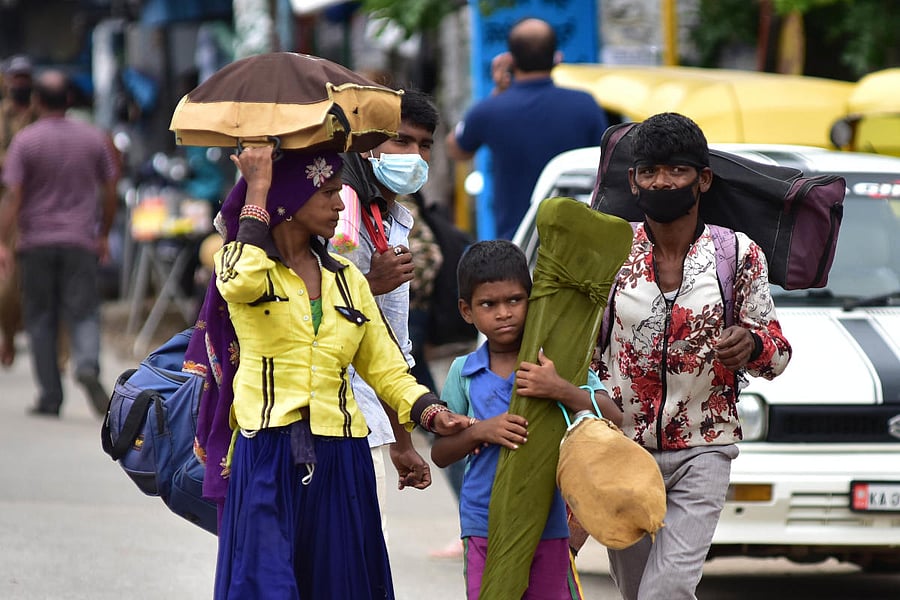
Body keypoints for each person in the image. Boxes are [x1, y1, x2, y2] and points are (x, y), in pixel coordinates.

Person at [184, 145, 471, 599]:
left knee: (339, 587)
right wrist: (258, 186)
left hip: (342, 457)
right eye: (330, 193)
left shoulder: (348, 280)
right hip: (267, 453)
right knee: (268, 586)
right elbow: (237, 280)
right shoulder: (246, 268)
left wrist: (431, 413)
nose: (341, 204)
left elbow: (387, 369)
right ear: (292, 200)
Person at [586, 112, 792, 600]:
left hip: (704, 447)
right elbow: (585, 352)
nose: (662, 182)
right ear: (633, 182)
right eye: (650, 171)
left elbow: (778, 353)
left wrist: (751, 344)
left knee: (670, 588)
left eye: (676, 170)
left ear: (702, 180)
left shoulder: (737, 255)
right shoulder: (609, 250)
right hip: (622, 448)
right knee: (638, 591)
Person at [431, 240, 620, 599]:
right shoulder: (464, 373)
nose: (504, 313)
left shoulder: (553, 362)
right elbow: (441, 453)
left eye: (515, 300)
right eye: (489, 304)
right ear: (467, 310)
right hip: (483, 522)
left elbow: (612, 415)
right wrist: (480, 431)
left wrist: (559, 388)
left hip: (548, 522)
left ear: (532, 302)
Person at [328, 88, 440, 534]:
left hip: (371, 419)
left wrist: (402, 441)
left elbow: (392, 345)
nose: (414, 155)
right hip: (326, 417)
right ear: (367, 143)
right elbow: (306, 313)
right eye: (402, 141)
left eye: (424, 145)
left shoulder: (392, 218)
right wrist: (370, 284)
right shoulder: (336, 211)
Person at [0, 69, 118, 417]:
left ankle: (50, 396)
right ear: (69, 100)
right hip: (80, 240)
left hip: (34, 242)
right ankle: (86, 366)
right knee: (83, 312)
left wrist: (3, 242)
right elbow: (110, 189)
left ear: (37, 100)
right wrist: (103, 233)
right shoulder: (94, 138)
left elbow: (13, 197)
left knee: (40, 317)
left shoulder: (26, 142)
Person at [445, 17, 608, 240]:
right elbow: (604, 164)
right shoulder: (586, 104)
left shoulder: (489, 110)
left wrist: (497, 94)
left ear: (511, 61)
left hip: (516, 243)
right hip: (577, 242)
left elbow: (456, 149)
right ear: (556, 58)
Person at [0, 54, 38, 367]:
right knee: (8, 284)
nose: (20, 84)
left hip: (40, 205)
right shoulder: (2, 117)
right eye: (16, 79)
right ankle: (9, 337)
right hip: (9, 205)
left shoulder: (42, 115)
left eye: (25, 79)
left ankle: (55, 355)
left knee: (45, 284)